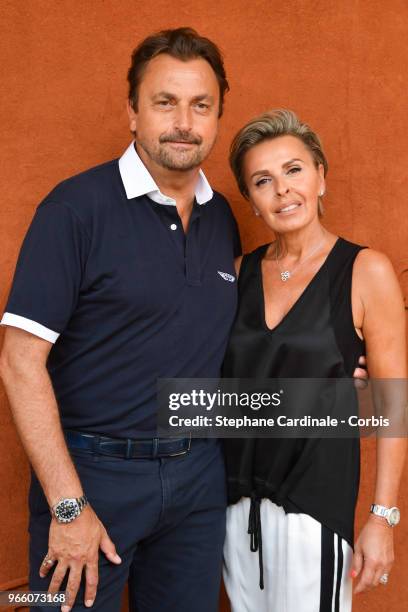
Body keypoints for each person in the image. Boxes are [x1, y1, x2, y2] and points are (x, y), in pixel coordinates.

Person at [0, 28, 241, 612]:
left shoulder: (223, 217)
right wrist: (67, 506)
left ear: (216, 116)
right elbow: (17, 361)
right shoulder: (73, 210)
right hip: (92, 480)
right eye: (165, 102)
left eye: (200, 105)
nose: (184, 121)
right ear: (132, 112)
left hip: (198, 480)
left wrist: (336, 371)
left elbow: (228, 341)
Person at [222, 109, 407, 611]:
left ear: (321, 176)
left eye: (294, 170)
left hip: (312, 510)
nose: (283, 190)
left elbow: (392, 406)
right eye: (264, 181)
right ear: (251, 201)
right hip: (235, 509)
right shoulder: (238, 275)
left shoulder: (365, 270)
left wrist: (382, 517)